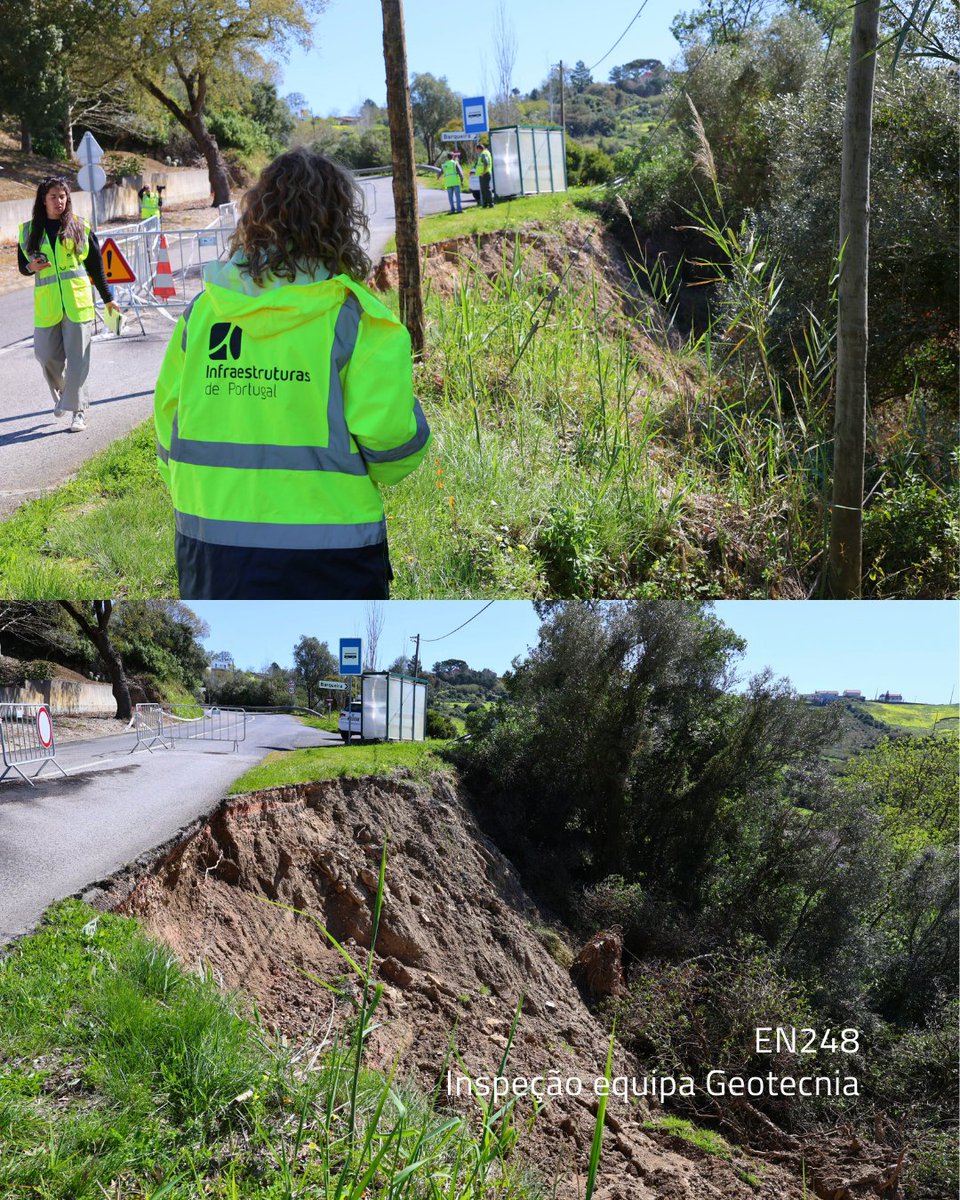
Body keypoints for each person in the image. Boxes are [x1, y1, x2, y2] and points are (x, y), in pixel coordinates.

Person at [154, 147, 431, 601]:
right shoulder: (357, 322)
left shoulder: (202, 314)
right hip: (330, 558)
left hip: (208, 554)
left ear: (257, 217)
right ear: (337, 223)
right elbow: (393, 453)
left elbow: (169, 432)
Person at [18, 176, 119, 433]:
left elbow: (95, 265)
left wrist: (109, 299)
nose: (59, 201)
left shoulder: (80, 227)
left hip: (78, 303)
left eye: (62, 196)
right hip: (48, 306)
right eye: (53, 196)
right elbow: (22, 267)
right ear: (43, 200)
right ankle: (68, 394)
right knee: (46, 355)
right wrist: (32, 266)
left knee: (78, 360)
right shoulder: (29, 231)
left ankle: (79, 411)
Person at [475, 140, 495, 208]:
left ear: (479, 149)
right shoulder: (487, 152)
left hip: (485, 174)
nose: (476, 151)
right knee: (484, 189)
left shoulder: (483, 154)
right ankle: (485, 204)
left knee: (486, 189)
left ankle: (490, 203)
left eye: (477, 150)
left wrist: (483, 172)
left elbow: (486, 163)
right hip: (484, 173)